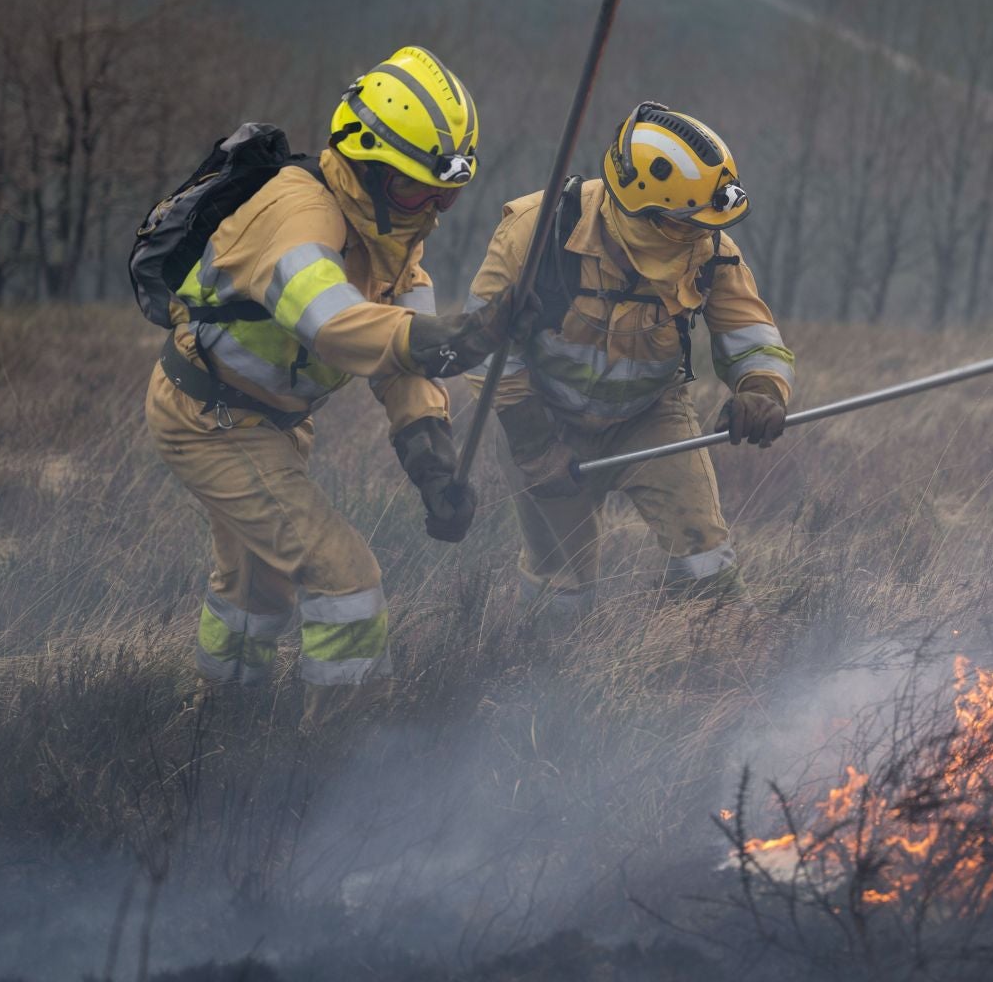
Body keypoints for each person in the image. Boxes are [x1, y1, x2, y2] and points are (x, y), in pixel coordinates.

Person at [146, 45, 514, 718]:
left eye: (448, 192)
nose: (432, 207)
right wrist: (445, 336)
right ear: (367, 165)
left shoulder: (394, 240)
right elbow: (331, 321)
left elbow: (409, 365)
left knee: (258, 583)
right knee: (346, 578)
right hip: (210, 419)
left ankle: (221, 715)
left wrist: (434, 462)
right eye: (414, 189)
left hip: (269, 423)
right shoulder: (298, 214)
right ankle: (346, 749)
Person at [466, 101, 795, 628]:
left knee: (703, 549)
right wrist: (532, 445)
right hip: (542, 420)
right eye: (684, 222)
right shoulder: (536, 232)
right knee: (563, 583)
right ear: (641, 206)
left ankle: (718, 667)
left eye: (706, 222)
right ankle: (541, 676)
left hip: (651, 419)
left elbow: (751, 335)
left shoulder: (711, 249)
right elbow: (484, 347)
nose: (699, 234)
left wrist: (763, 390)